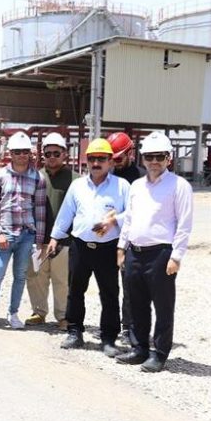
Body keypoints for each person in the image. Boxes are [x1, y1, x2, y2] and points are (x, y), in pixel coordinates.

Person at [116, 132, 194, 373]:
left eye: (160, 156)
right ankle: (139, 348)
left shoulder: (179, 186)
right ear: (142, 158)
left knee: (163, 306)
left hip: (161, 254)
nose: (154, 161)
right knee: (136, 304)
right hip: (135, 252)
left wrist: (176, 256)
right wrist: (121, 247)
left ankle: (159, 353)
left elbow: (184, 224)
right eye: (149, 156)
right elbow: (129, 219)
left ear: (169, 158)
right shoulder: (137, 186)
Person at [47, 139, 130, 356]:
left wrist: (114, 221)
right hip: (80, 246)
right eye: (92, 158)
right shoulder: (78, 186)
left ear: (110, 161)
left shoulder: (122, 186)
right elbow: (66, 213)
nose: (96, 163)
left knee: (109, 293)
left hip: (108, 249)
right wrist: (55, 237)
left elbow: (132, 214)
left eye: (101, 159)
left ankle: (109, 338)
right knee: (75, 290)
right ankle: (75, 332)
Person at [0, 132, 46, 330]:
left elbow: (40, 210)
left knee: (20, 276)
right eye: (17, 152)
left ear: (29, 153)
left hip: (27, 235)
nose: (21, 155)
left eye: (25, 151)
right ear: (10, 153)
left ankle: (13, 313)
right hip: (5, 234)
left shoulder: (38, 178)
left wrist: (39, 240)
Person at [25, 132, 77, 330]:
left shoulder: (76, 180)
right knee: (36, 277)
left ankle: (63, 316)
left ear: (65, 154)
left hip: (64, 241)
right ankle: (39, 312)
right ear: (43, 155)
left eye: (57, 153)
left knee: (61, 280)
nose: (52, 157)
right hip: (38, 240)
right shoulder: (35, 177)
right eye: (48, 154)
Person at [108, 131, 146, 347]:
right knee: (108, 286)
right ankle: (109, 326)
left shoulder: (142, 178)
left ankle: (128, 327)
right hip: (108, 239)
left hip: (130, 241)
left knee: (130, 287)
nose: (114, 163)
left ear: (130, 153)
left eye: (118, 158)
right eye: (111, 159)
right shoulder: (106, 175)